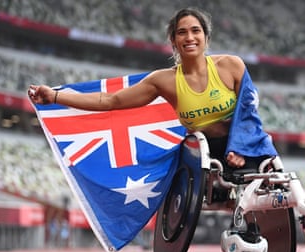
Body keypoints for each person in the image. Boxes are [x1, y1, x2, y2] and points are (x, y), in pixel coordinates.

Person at [28, 7, 248, 169]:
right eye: (182, 32)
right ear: (173, 41)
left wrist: (240, 147)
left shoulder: (231, 66)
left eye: (195, 31)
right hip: (202, 157)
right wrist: (55, 96)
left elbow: (250, 113)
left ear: (206, 38)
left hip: (244, 147)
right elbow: (110, 101)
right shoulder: (164, 81)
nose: (189, 37)